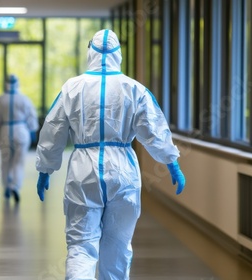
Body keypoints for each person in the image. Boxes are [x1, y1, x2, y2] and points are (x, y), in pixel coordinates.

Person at [35, 29, 186, 280]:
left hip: (83, 171)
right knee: (118, 245)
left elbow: (53, 130)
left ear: (90, 53)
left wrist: (45, 168)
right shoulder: (135, 89)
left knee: (81, 245)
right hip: (123, 171)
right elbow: (154, 130)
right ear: (119, 55)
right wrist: (172, 163)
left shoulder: (72, 88)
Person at [0, 74, 39, 203]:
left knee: (5, 161)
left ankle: (6, 185)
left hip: (5, 131)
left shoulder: (0, 100)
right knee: (18, 162)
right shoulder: (24, 99)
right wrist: (33, 130)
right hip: (21, 131)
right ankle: (15, 186)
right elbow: (31, 116)